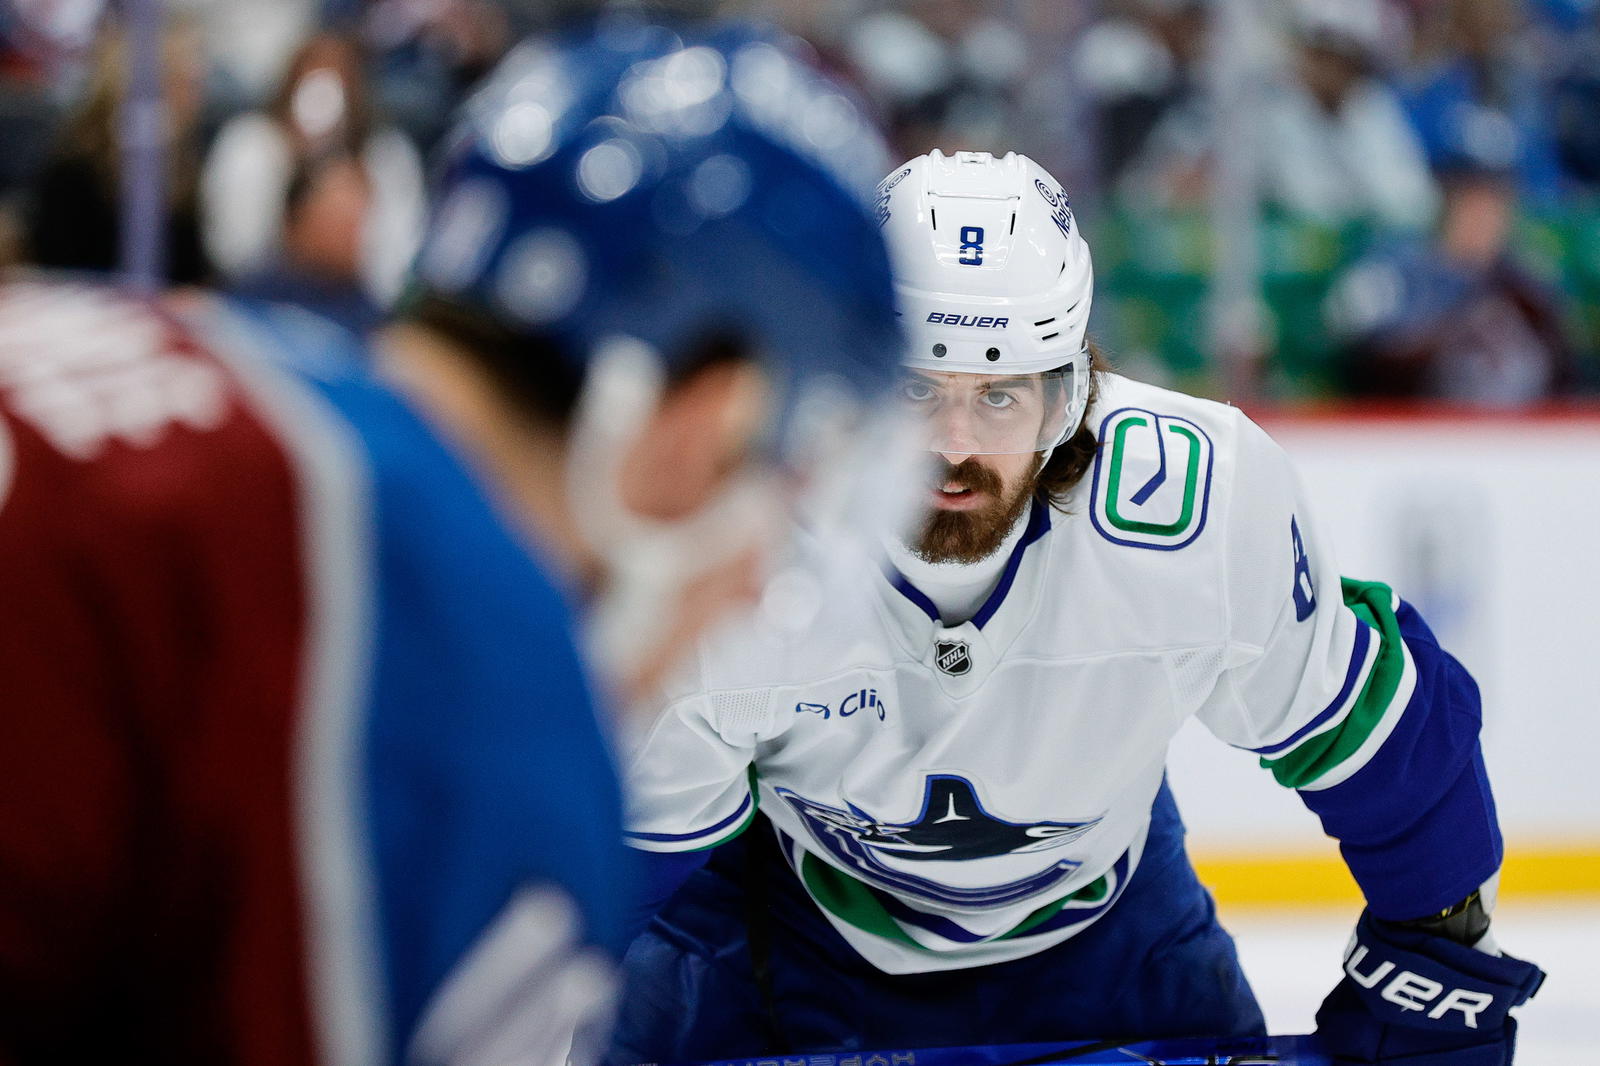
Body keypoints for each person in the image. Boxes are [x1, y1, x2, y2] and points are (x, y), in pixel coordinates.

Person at [0, 14, 902, 1066]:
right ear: (709, 419)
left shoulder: (174, 337)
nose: (751, 583)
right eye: (778, 482)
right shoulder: (463, 670)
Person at [615, 150, 1546, 1063]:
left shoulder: (1199, 505)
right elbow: (620, 860)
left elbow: (1386, 745)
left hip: (1114, 936)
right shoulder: (733, 544)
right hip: (784, 929)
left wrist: (1440, 957)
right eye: (917, 388)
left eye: (1000, 394)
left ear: (1070, 397)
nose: (953, 446)